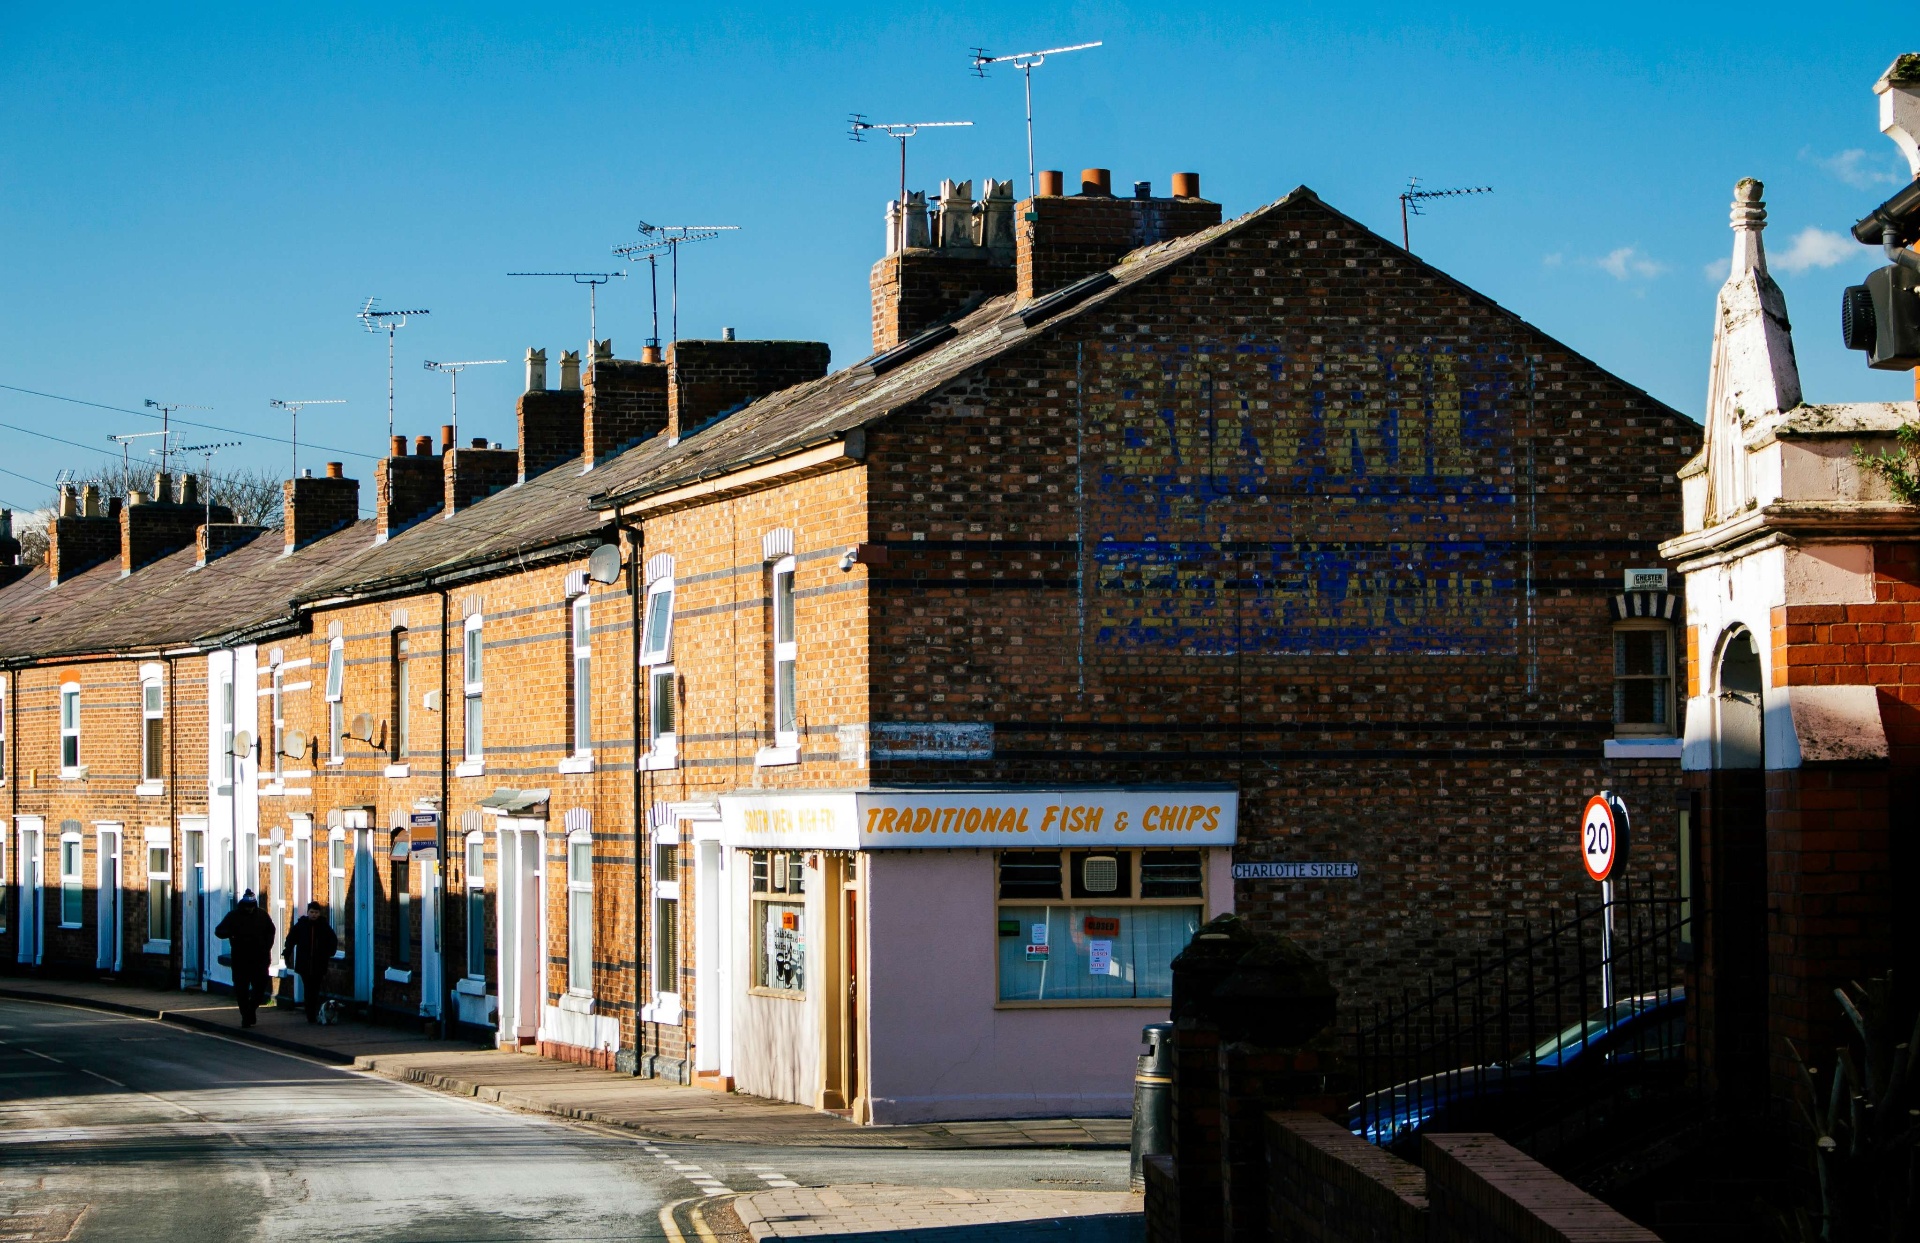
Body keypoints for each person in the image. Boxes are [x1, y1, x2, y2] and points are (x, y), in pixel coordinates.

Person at [214, 890, 276, 1027]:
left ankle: (250, 1010)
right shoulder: (233, 916)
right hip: (240, 959)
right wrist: (231, 934)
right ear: (243, 905)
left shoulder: (262, 916)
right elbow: (219, 931)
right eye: (247, 906)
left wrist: (266, 947)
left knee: (260, 988)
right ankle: (246, 1015)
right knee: (241, 990)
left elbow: (271, 931)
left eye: (252, 906)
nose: (250, 909)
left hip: (260, 958)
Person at [282, 901, 339, 1023]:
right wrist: (287, 953)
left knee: (315, 988)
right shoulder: (301, 925)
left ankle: (314, 1011)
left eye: (316, 912)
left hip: (319, 963)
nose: (314, 915)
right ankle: (310, 1014)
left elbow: (333, 940)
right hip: (304, 963)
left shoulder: (324, 926)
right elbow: (291, 939)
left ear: (319, 913)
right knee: (308, 988)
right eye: (312, 912)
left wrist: (329, 952)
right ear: (308, 912)